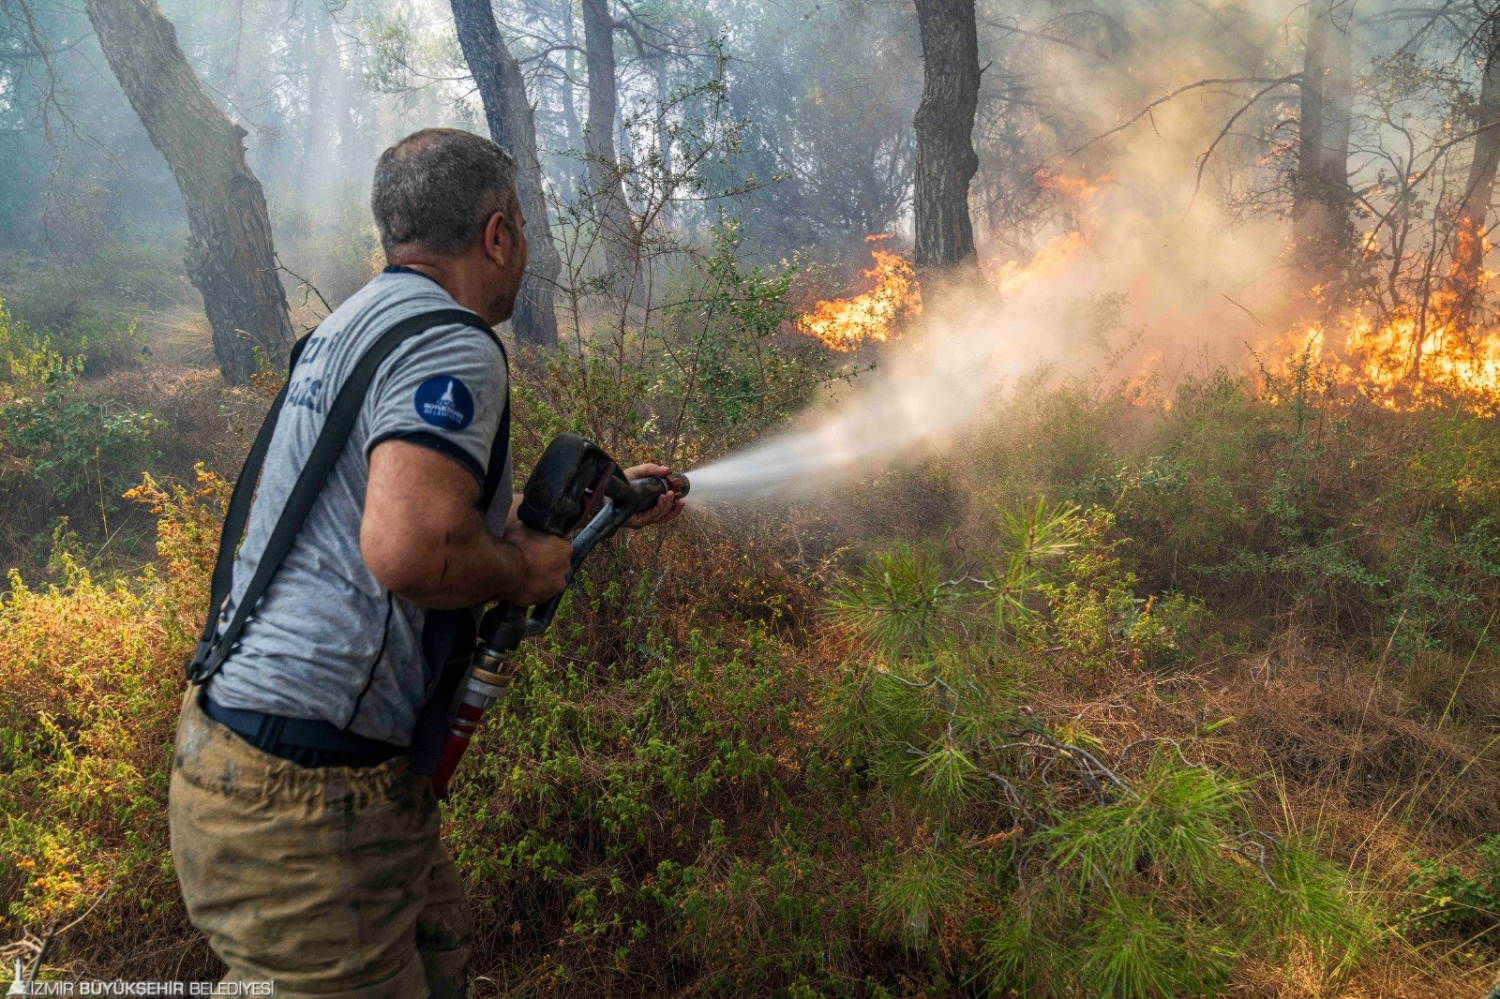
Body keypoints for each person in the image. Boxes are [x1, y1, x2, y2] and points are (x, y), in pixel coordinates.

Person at [167, 127, 682, 998]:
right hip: (307, 802)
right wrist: (523, 574)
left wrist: (588, 513)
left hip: (253, 758)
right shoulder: (453, 343)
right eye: (523, 228)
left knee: (440, 948)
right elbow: (409, 546)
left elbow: (412, 513)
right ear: (497, 234)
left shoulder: (356, 325)